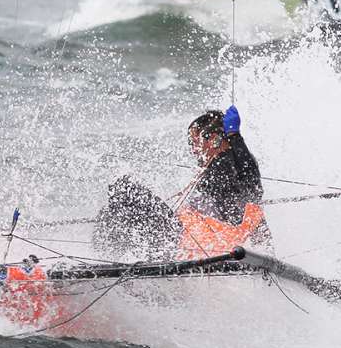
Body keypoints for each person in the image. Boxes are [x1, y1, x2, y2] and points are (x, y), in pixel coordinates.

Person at [94, 105, 269, 256]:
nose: (193, 150)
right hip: (187, 238)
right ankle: (113, 258)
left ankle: (104, 258)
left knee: (124, 189)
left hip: (196, 242)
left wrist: (234, 136)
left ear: (214, 140)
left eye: (195, 143)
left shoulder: (225, 163)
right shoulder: (216, 166)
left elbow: (250, 179)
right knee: (117, 206)